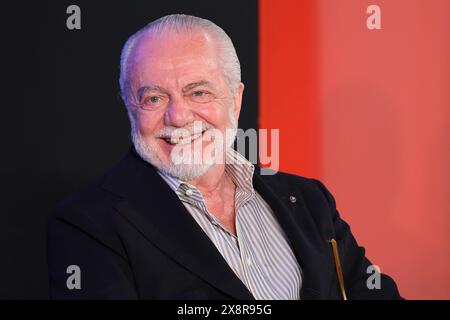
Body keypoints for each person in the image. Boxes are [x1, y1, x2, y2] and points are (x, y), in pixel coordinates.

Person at [47, 14, 401, 300]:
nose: (179, 117)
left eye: (198, 92)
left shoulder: (310, 201)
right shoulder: (87, 224)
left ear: (235, 100)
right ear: (129, 107)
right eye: (154, 98)